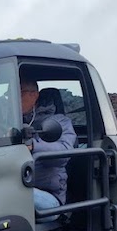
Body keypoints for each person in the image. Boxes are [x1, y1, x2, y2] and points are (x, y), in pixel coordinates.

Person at [20, 78, 76, 211]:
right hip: (16, 184)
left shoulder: (60, 123)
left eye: (19, 93)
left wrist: (34, 146)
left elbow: (64, 152)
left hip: (49, 195)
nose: (13, 98)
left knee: (8, 195)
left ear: (34, 95)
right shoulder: (11, 121)